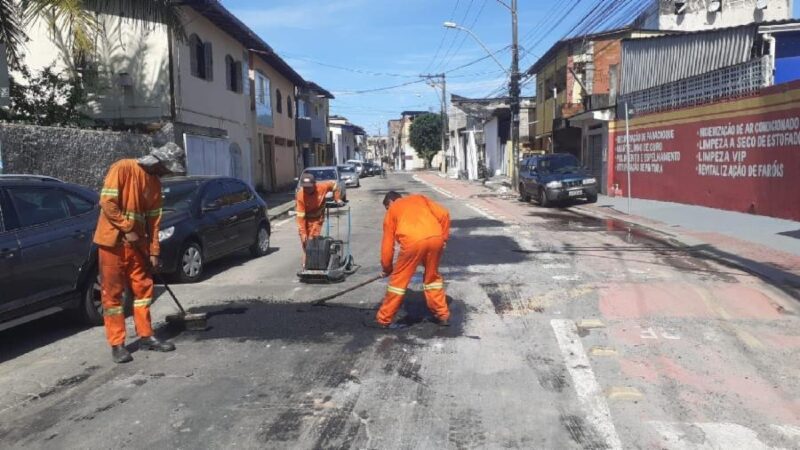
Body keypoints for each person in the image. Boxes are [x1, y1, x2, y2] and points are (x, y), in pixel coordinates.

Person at [94, 143, 185, 364]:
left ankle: (146, 335)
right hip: (112, 244)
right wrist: (127, 228)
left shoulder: (154, 184)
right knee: (113, 296)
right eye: (166, 169)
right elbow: (107, 202)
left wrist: (154, 250)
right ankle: (117, 344)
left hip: (139, 246)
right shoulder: (123, 168)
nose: (166, 173)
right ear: (158, 162)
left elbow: (154, 221)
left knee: (144, 291)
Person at [377, 191, 450, 328]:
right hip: (436, 238)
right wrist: (443, 238)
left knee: (398, 282)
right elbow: (444, 214)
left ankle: (384, 319)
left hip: (413, 242)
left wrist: (387, 268)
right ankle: (442, 315)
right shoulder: (420, 198)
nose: (387, 210)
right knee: (432, 278)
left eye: (387, 207)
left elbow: (387, 244)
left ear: (390, 202)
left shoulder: (392, 210)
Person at [296, 173, 342, 268]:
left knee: (312, 240)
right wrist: (303, 233)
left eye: (309, 187)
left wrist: (337, 199)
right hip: (306, 220)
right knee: (305, 242)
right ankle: (307, 264)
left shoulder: (322, 187)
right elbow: (300, 218)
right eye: (305, 187)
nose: (307, 189)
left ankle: (311, 264)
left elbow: (335, 185)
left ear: (314, 184)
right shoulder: (300, 195)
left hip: (317, 219)